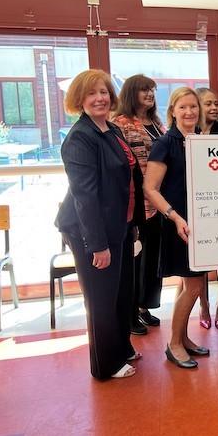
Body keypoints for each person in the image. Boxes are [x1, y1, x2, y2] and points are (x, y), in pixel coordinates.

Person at [55, 69, 144, 380]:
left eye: (104, 92)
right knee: (101, 297)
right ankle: (105, 364)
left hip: (119, 224)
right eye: (92, 93)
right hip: (89, 230)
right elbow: (85, 197)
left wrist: (131, 226)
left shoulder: (110, 130)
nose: (100, 98)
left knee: (121, 292)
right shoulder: (80, 138)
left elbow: (126, 182)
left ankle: (121, 347)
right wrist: (99, 244)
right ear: (79, 100)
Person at [144, 87, 209, 369]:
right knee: (194, 285)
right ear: (172, 111)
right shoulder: (165, 143)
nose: (189, 112)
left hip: (197, 223)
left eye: (193, 107)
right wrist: (174, 216)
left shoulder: (198, 141)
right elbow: (150, 188)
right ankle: (174, 345)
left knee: (188, 282)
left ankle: (183, 338)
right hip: (178, 224)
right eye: (183, 107)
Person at [112, 74, 166, 335]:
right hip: (137, 203)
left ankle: (145, 306)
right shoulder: (120, 123)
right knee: (137, 258)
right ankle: (131, 311)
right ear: (131, 92)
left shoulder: (155, 122)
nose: (150, 94)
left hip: (158, 201)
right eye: (144, 90)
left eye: (152, 90)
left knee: (153, 258)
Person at [196, 87, 218, 330]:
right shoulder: (190, 133)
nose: (214, 108)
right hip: (197, 203)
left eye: (216, 103)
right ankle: (203, 304)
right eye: (208, 103)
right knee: (200, 260)